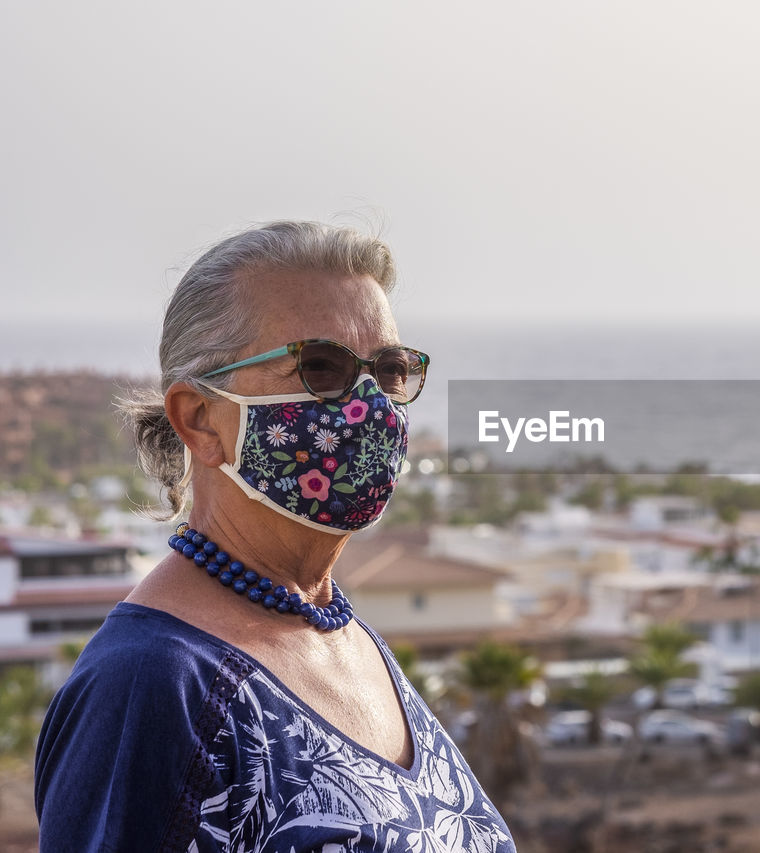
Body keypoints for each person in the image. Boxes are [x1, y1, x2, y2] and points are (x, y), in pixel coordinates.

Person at [34, 221, 517, 851]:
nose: (370, 405)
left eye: (390, 371)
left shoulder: (337, 629)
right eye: (321, 367)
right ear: (200, 419)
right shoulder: (152, 685)